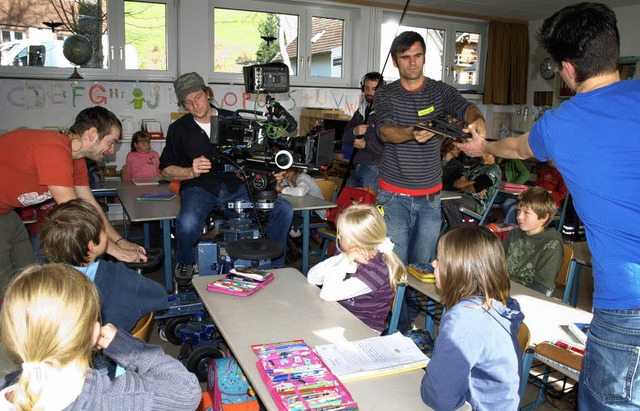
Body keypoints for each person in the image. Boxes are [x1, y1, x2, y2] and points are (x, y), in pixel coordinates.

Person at [458, 3, 640, 409]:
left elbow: (516, 146)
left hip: (629, 305)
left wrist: (482, 146)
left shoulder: (562, 123)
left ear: (569, 69)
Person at [0, 263, 201, 410]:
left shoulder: (7, 388)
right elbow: (186, 391)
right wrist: (125, 346)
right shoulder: (109, 398)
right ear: (94, 331)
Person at [159, 72, 293, 283]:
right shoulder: (178, 129)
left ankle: (275, 264)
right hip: (199, 187)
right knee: (187, 222)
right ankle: (184, 260)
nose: (195, 105)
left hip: (237, 185)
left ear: (207, 93)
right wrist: (190, 171)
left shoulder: (233, 119)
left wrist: (269, 172)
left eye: (198, 97)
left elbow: (256, 154)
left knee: (283, 210)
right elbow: (165, 169)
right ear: (184, 106)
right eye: (188, 102)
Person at [0, 106, 146, 295]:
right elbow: (76, 216)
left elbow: (89, 206)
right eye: (110, 143)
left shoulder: (75, 158)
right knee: (5, 290)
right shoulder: (53, 149)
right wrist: (115, 251)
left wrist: (119, 241)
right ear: (92, 134)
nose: (111, 151)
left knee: (28, 282)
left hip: (7, 214)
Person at [374, 31, 487, 266]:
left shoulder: (440, 91)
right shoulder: (386, 93)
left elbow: (466, 107)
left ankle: (414, 305)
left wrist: (477, 121)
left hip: (430, 198)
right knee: (396, 269)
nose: (412, 62)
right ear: (395, 61)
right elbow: (384, 131)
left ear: (424, 58)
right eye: (405, 57)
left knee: (423, 267)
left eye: (418, 55)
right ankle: (396, 305)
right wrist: (411, 132)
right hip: (394, 197)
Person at [420, 225, 523, 410]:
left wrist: (428, 380)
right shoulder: (493, 304)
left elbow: (440, 397)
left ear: (460, 270)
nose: (433, 264)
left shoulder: (464, 320)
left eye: (439, 259)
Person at [38, 198, 168, 331]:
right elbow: (159, 297)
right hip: (114, 347)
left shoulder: (43, 284)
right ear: (92, 246)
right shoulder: (118, 276)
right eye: (102, 230)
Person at [307, 204, 407, 333]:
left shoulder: (377, 270)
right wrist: (344, 258)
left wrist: (344, 261)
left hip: (363, 330)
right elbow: (312, 277)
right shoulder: (347, 253)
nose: (337, 237)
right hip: (338, 315)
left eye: (341, 234)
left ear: (355, 242)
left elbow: (327, 294)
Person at [504, 187, 564, 296]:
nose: (519, 217)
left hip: (529, 296)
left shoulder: (551, 245)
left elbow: (542, 288)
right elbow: (498, 265)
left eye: (526, 212)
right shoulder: (514, 234)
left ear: (543, 218)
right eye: (518, 211)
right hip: (505, 289)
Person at [342, 72, 385, 193]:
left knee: (368, 208)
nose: (370, 92)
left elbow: (391, 147)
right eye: (367, 88)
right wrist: (354, 131)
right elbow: (345, 136)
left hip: (375, 168)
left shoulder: (385, 114)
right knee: (348, 205)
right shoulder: (361, 110)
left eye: (374, 89)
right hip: (357, 165)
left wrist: (366, 145)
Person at [441, 150, 501, 227]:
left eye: (488, 155)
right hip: (463, 196)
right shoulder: (476, 166)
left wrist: (463, 187)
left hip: (477, 202)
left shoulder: (494, 170)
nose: (483, 156)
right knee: (440, 199)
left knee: (447, 201)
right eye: (483, 153)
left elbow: (477, 187)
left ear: (495, 156)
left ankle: (458, 231)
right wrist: (471, 183)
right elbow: (455, 183)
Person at [503, 159, 566, 224]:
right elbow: (535, 186)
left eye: (552, 158)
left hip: (549, 203)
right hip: (535, 199)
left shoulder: (563, 175)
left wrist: (545, 194)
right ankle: (512, 226)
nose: (549, 160)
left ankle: (509, 229)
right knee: (508, 202)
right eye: (548, 158)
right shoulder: (543, 172)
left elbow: (561, 195)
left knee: (514, 207)